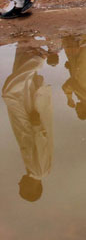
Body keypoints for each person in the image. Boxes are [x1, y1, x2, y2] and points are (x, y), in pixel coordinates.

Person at [2, 46, 54, 202]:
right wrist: (37, 125)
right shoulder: (41, 172)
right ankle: (39, 59)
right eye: (22, 187)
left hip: (24, 126)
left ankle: (25, 51)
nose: (19, 183)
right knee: (10, 93)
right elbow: (42, 144)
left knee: (21, 89)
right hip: (29, 124)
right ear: (32, 189)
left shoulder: (33, 170)